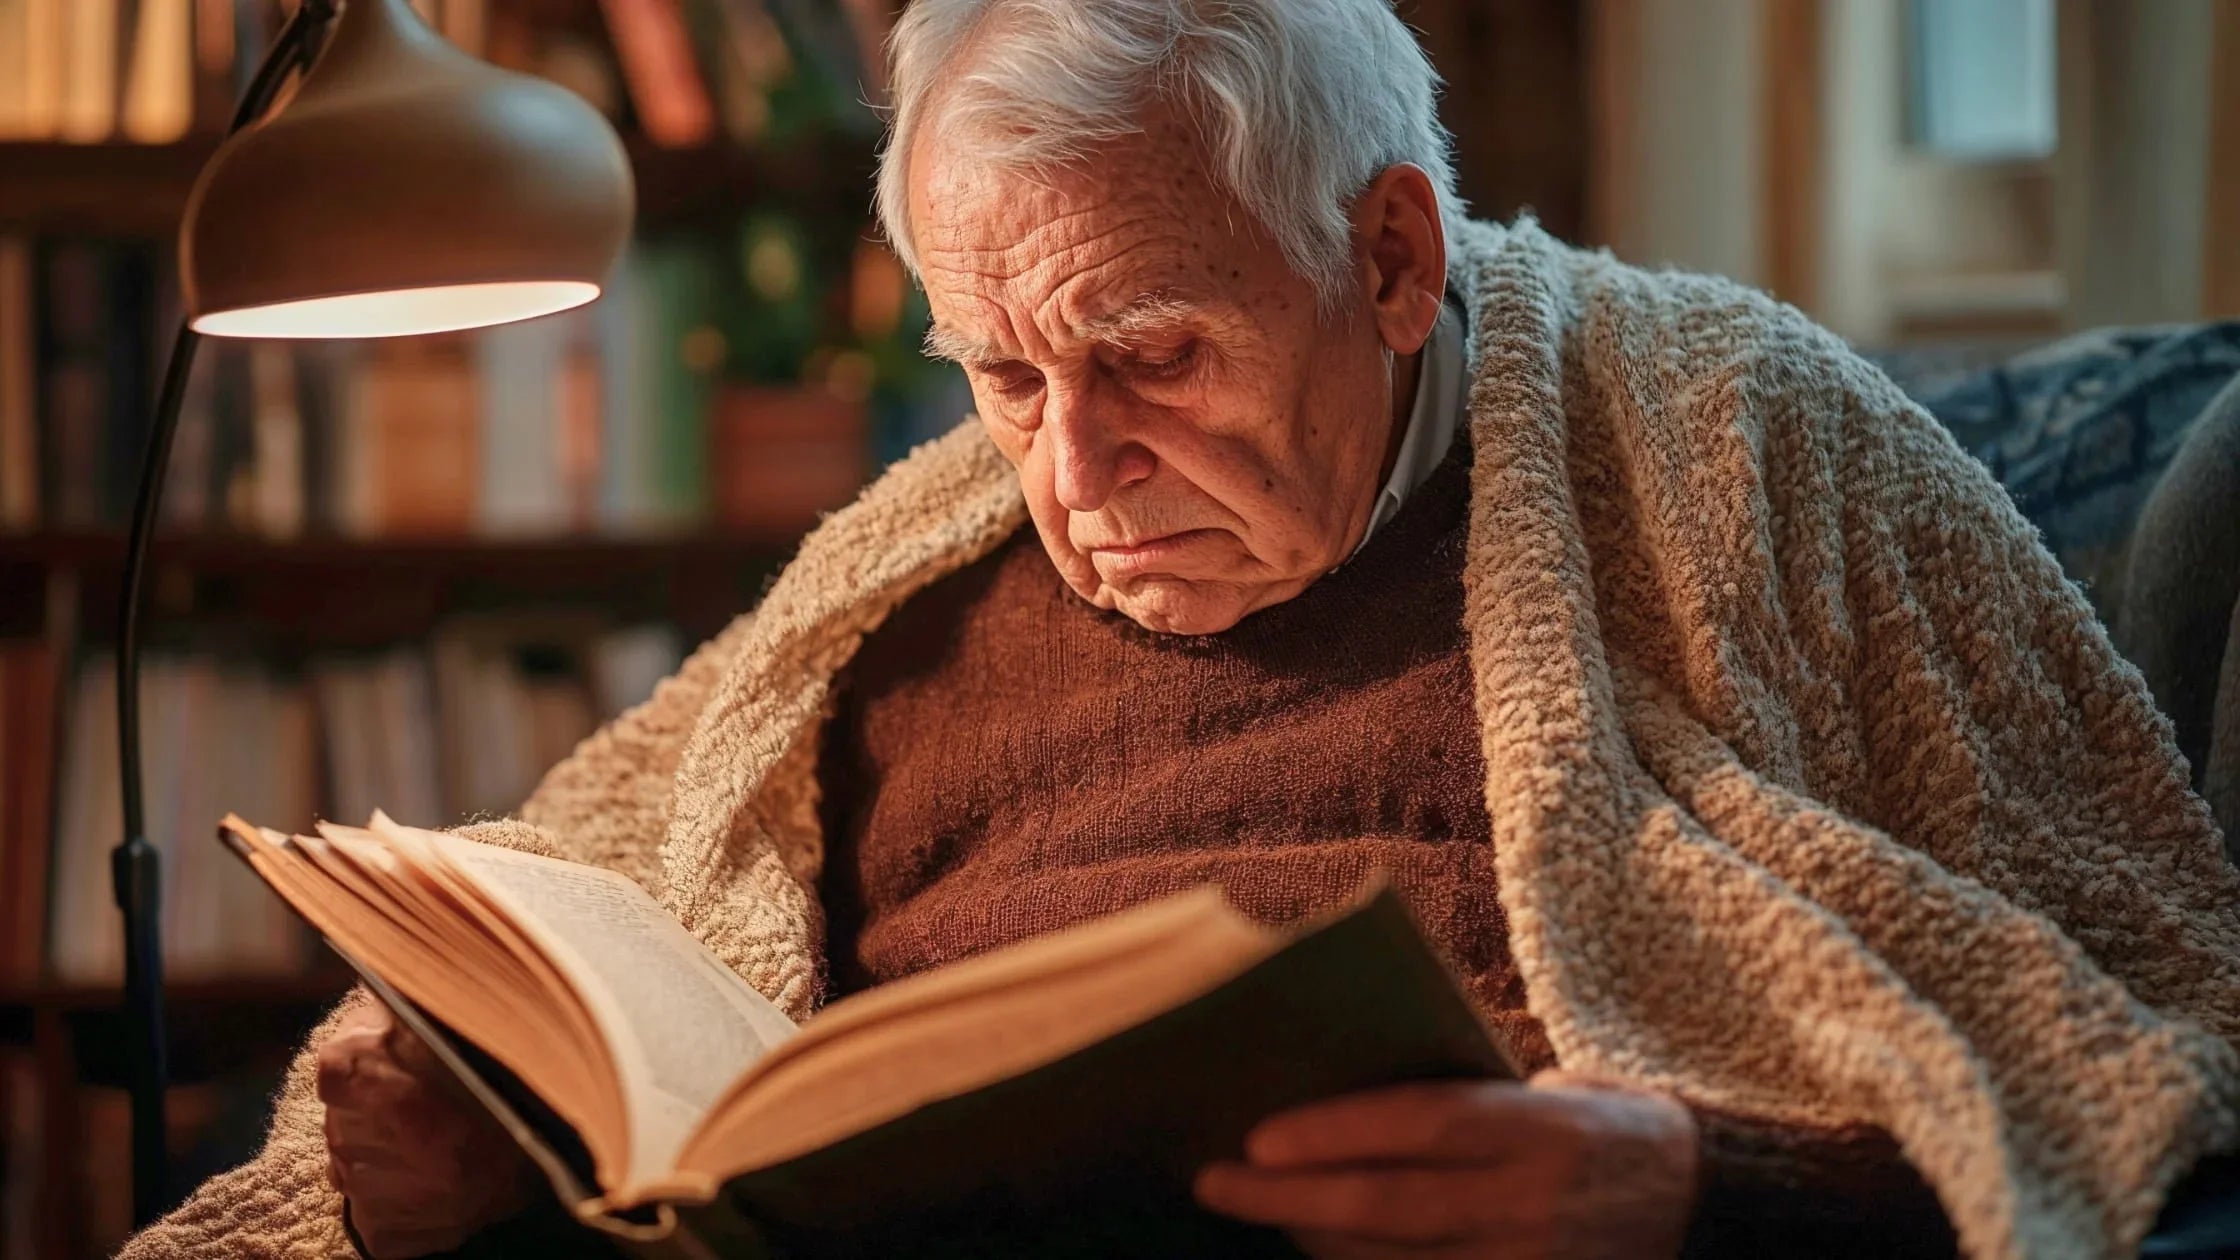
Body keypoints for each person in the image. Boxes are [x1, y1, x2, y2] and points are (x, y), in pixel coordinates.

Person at [124, 1, 2240, 1257]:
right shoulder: (902, 587)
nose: (1071, 473)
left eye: (1151, 353)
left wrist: (1708, 1197)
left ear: (1390, 255)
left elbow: (2155, 1018)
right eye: (1004, 377)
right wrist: (447, 1201)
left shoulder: (1732, 437)